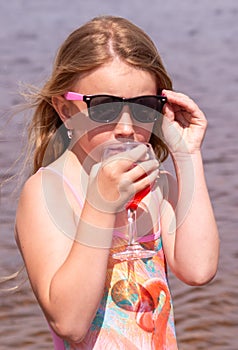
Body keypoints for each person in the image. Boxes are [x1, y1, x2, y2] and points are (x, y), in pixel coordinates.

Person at [15, 15, 219, 350]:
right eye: (105, 108)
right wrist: (99, 205)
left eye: (143, 108)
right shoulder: (47, 191)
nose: (126, 127)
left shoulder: (156, 185)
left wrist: (187, 155)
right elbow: (70, 322)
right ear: (66, 110)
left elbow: (198, 270)